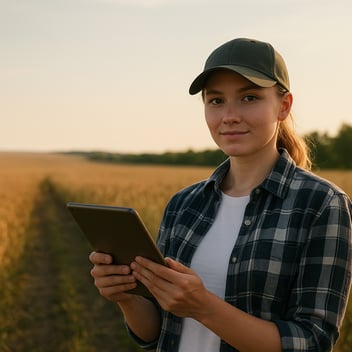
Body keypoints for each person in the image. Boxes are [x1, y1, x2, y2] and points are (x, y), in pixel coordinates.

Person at [89, 38, 352, 352]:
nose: (229, 115)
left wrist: (203, 306)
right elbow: (156, 333)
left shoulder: (322, 204)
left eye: (249, 97)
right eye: (216, 101)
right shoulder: (184, 204)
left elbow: (312, 342)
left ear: (283, 106)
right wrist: (128, 296)